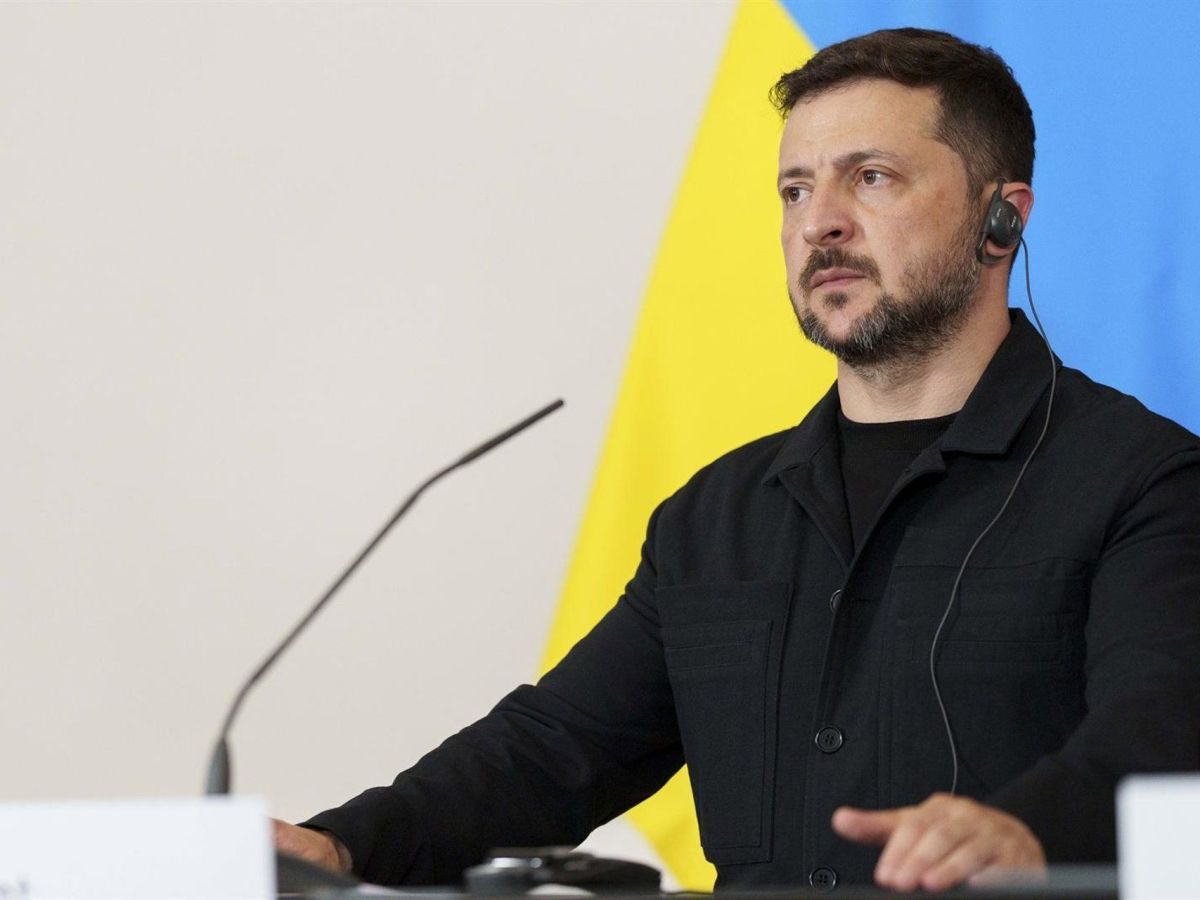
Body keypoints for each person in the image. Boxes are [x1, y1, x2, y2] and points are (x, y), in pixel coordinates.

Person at [275, 28, 1200, 893]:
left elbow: (1163, 731)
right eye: (795, 191)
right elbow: (553, 750)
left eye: (870, 178)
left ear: (1001, 220)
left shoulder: (1144, 483)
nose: (820, 223)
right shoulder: (716, 517)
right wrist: (343, 844)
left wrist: (1029, 831)